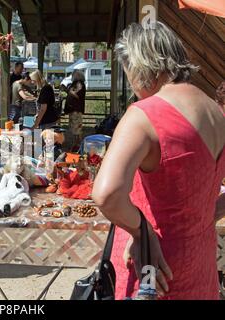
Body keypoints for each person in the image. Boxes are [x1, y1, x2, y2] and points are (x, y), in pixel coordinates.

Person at [92, 22, 225, 300]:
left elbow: (106, 195)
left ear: (139, 68)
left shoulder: (144, 115)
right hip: (201, 263)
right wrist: (201, 216)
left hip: (153, 268)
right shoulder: (216, 112)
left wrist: (141, 230)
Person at [65, 70, 86, 148]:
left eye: (73, 75)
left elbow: (77, 95)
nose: (72, 76)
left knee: (77, 128)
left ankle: (78, 144)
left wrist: (68, 90)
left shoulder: (79, 83)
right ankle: (76, 144)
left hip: (76, 109)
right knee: (74, 128)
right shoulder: (76, 83)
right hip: (73, 109)